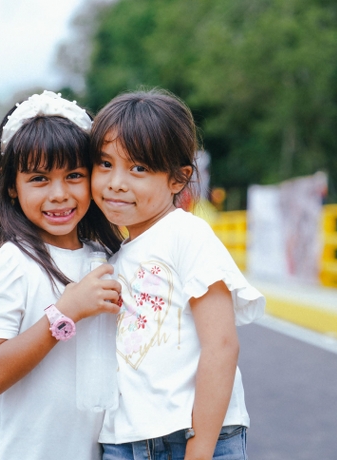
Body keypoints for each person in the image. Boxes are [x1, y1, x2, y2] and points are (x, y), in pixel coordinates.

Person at [89, 89, 266, 460]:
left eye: (138, 168)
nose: (116, 182)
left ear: (178, 178)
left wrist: (198, 452)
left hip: (195, 438)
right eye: (104, 164)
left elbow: (222, 345)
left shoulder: (187, 234)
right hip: (126, 441)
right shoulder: (114, 258)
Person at [0, 90, 124, 460]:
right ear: (12, 186)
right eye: (39, 179)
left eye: (74, 176)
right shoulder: (8, 264)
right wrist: (65, 313)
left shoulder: (108, 260)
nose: (59, 194)